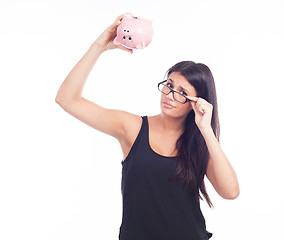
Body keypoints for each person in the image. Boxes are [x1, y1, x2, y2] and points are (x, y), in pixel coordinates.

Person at [55, 13, 239, 240]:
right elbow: (67, 100)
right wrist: (99, 46)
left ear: (197, 102)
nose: (170, 95)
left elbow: (230, 192)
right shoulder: (132, 128)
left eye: (183, 93)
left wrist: (206, 129)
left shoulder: (199, 144)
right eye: (169, 85)